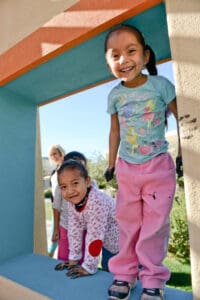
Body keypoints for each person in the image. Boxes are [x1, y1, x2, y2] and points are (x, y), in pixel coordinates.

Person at [104, 24, 182, 300]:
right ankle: (124, 275)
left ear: (145, 56)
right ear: (108, 62)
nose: (123, 60)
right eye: (115, 55)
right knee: (127, 223)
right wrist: (111, 164)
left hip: (157, 167)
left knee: (154, 226)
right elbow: (115, 131)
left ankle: (152, 279)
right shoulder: (115, 95)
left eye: (130, 51)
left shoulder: (161, 86)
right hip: (126, 167)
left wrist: (183, 152)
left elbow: (182, 119)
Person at [54, 159, 119, 278]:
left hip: (127, 245)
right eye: (63, 187)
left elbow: (95, 236)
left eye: (75, 183)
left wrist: (89, 267)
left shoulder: (97, 201)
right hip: (109, 245)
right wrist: (73, 260)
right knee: (108, 275)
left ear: (87, 181)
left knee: (125, 279)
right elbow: (74, 230)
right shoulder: (73, 201)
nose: (70, 191)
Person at [52, 151, 90, 262]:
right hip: (65, 227)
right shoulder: (60, 187)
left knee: (82, 258)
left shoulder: (91, 184)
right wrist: (55, 229)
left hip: (84, 229)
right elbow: (56, 207)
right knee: (64, 258)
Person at [48, 144, 65, 257]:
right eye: (51, 154)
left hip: (65, 208)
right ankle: (49, 257)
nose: (53, 156)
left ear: (61, 153)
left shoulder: (67, 169)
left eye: (55, 153)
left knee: (58, 236)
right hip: (56, 207)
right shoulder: (55, 171)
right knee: (54, 235)